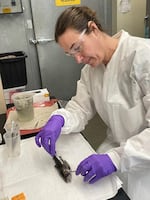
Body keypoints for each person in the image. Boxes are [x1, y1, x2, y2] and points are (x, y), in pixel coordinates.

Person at [35, 6, 150, 200]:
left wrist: (115, 158)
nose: (78, 59)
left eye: (77, 48)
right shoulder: (91, 71)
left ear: (93, 29)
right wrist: (60, 119)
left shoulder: (142, 56)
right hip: (112, 155)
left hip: (144, 164)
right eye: (71, 54)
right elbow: (80, 107)